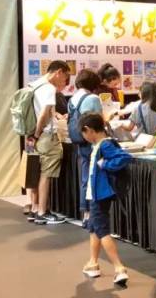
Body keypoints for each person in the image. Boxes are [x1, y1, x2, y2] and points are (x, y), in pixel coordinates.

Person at [78, 112, 132, 286]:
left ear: (88, 130)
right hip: (96, 193)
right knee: (94, 227)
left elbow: (124, 157)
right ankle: (93, 263)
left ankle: (119, 268)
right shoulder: (99, 145)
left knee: (101, 230)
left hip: (100, 195)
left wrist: (105, 164)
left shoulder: (105, 144)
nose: (83, 137)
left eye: (83, 133)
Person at [26, 60, 70, 225]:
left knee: (35, 171)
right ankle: (43, 212)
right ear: (59, 72)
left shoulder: (34, 84)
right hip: (46, 136)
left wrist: (32, 135)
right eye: (65, 77)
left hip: (32, 134)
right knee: (46, 174)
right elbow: (44, 115)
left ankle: (35, 208)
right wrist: (38, 134)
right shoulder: (49, 88)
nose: (64, 81)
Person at [68, 69, 104, 225]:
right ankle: (95, 213)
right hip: (93, 142)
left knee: (85, 178)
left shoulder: (73, 99)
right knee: (95, 177)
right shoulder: (93, 98)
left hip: (80, 142)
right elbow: (100, 121)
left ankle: (86, 214)